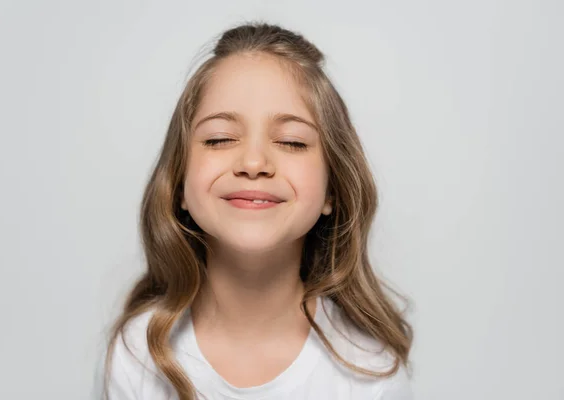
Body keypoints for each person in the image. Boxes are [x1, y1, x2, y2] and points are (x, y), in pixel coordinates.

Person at [102, 22, 414, 400]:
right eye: (219, 138)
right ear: (180, 182)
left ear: (332, 188)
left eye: (291, 142)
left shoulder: (369, 371)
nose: (253, 161)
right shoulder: (139, 355)